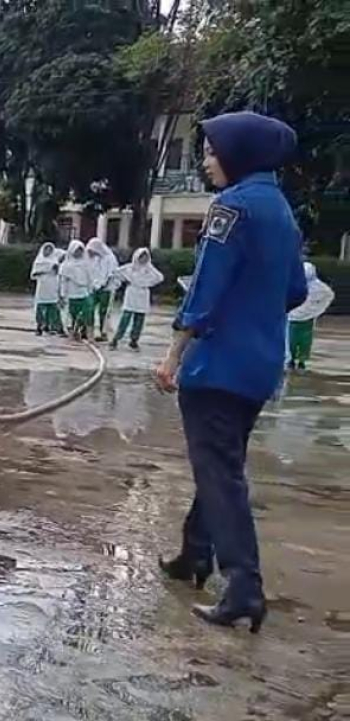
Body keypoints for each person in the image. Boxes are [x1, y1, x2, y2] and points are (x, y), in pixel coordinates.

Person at [154, 111, 307, 633]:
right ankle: (194, 553)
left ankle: (244, 587)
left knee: (220, 475)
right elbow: (296, 291)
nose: (205, 161)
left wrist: (173, 355)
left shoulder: (232, 207)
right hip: (260, 364)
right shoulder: (281, 209)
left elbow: (205, 289)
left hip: (217, 365)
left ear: (239, 154)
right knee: (220, 463)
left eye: (212, 151)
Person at [110, 248, 165, 351]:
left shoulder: (149, 269)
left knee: (139, 319)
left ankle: (134, 340)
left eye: (145, 257)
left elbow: (160, 277)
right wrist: (124, 280)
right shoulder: (130, 268)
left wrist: (149, 280)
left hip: (143, 294)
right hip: (132, 292)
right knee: (126, 317)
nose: (143, 259)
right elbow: (116, 272)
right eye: (141, 257)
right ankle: (116, 338)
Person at [287, 262, 335, 370]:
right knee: (293, 340)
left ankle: (300, 361)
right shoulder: (293, 284)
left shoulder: (319, 287)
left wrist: (317, 310)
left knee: (303, 341)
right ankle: (293, 360)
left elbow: (328, 296)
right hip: (294, 317)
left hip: (306, 318)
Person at [59, 240, 94, 340]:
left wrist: (90, 290)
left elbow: (90, 279)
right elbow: (63, 281)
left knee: (86, 311)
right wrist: (62, 294)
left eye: (80, 250)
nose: (78, 253)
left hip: (83, 292)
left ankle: (83, 330)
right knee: (73, 314)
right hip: (72, 293)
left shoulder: (86, 264)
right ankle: (74, 331)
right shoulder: (66, 265)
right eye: (76, 250)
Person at [87, 237, 120, 342]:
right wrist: (93, 284)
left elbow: (111, 274)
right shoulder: (95, 259)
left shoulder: (110, 258)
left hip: (107, 289)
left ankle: (103, 332)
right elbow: (92, 272)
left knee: (104, 311)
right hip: (95, 288)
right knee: (90, 307)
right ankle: (88, 330)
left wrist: (104, 284)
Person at [30, 242, 65, 336]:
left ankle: (54, 327)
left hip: (53, 285)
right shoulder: (39, 261)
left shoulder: (55, 260)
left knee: (53, 307)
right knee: (40, 307)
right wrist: (45, 270)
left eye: (50, 250)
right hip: (42, 286)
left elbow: (64, 257)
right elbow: (33, 274)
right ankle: (40, 326)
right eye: (46, 249)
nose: (48, 251)